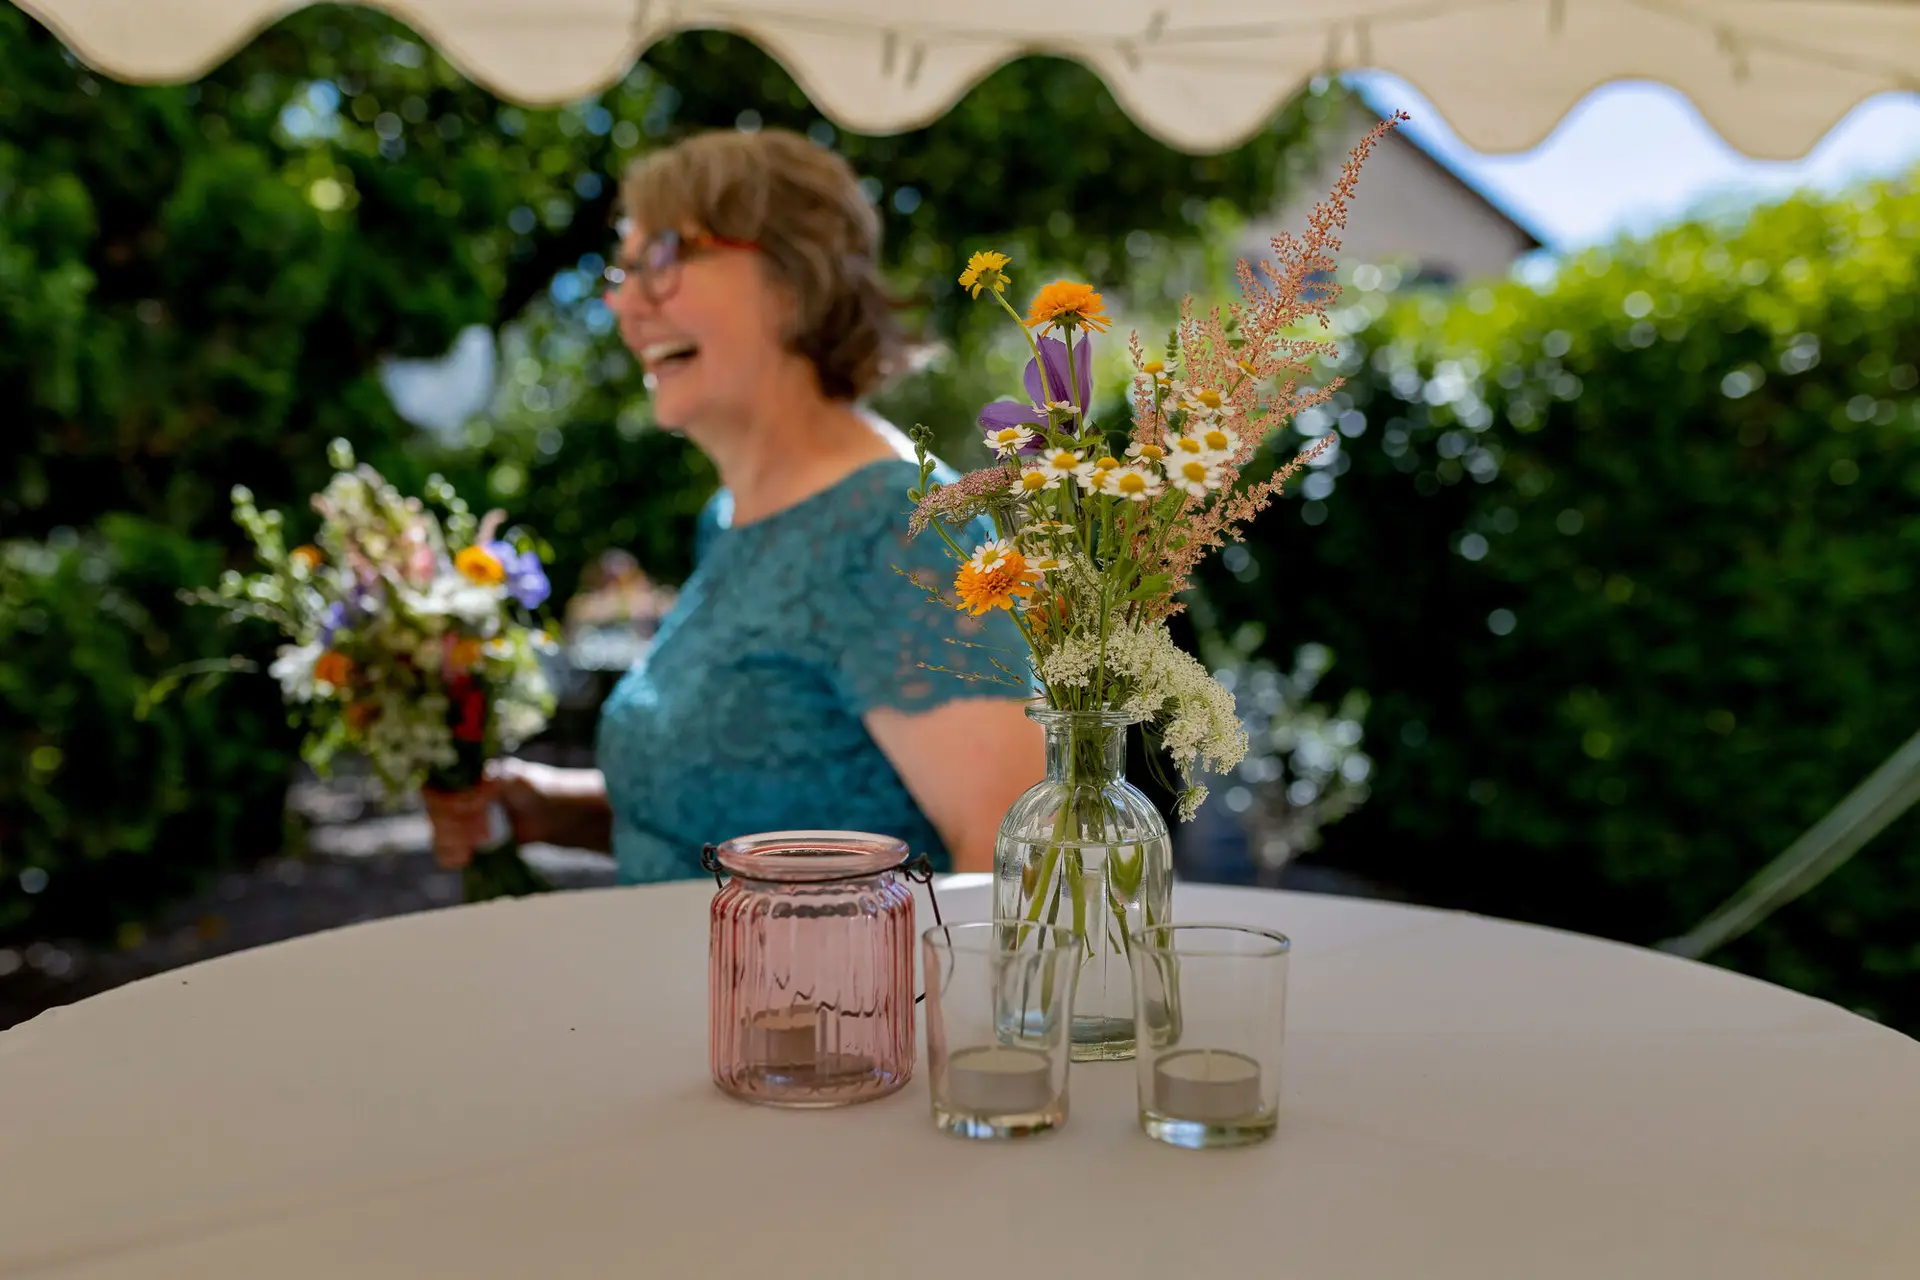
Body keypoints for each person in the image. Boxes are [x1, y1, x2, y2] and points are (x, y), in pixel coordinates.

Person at [424, 128, 1042, 879]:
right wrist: (553, 809)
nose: (626, 304)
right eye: (621, 269)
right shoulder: (727, 524)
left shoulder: (900, 527)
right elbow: (747, 814)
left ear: (796, 273)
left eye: (664, 255)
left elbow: (1016, 869)